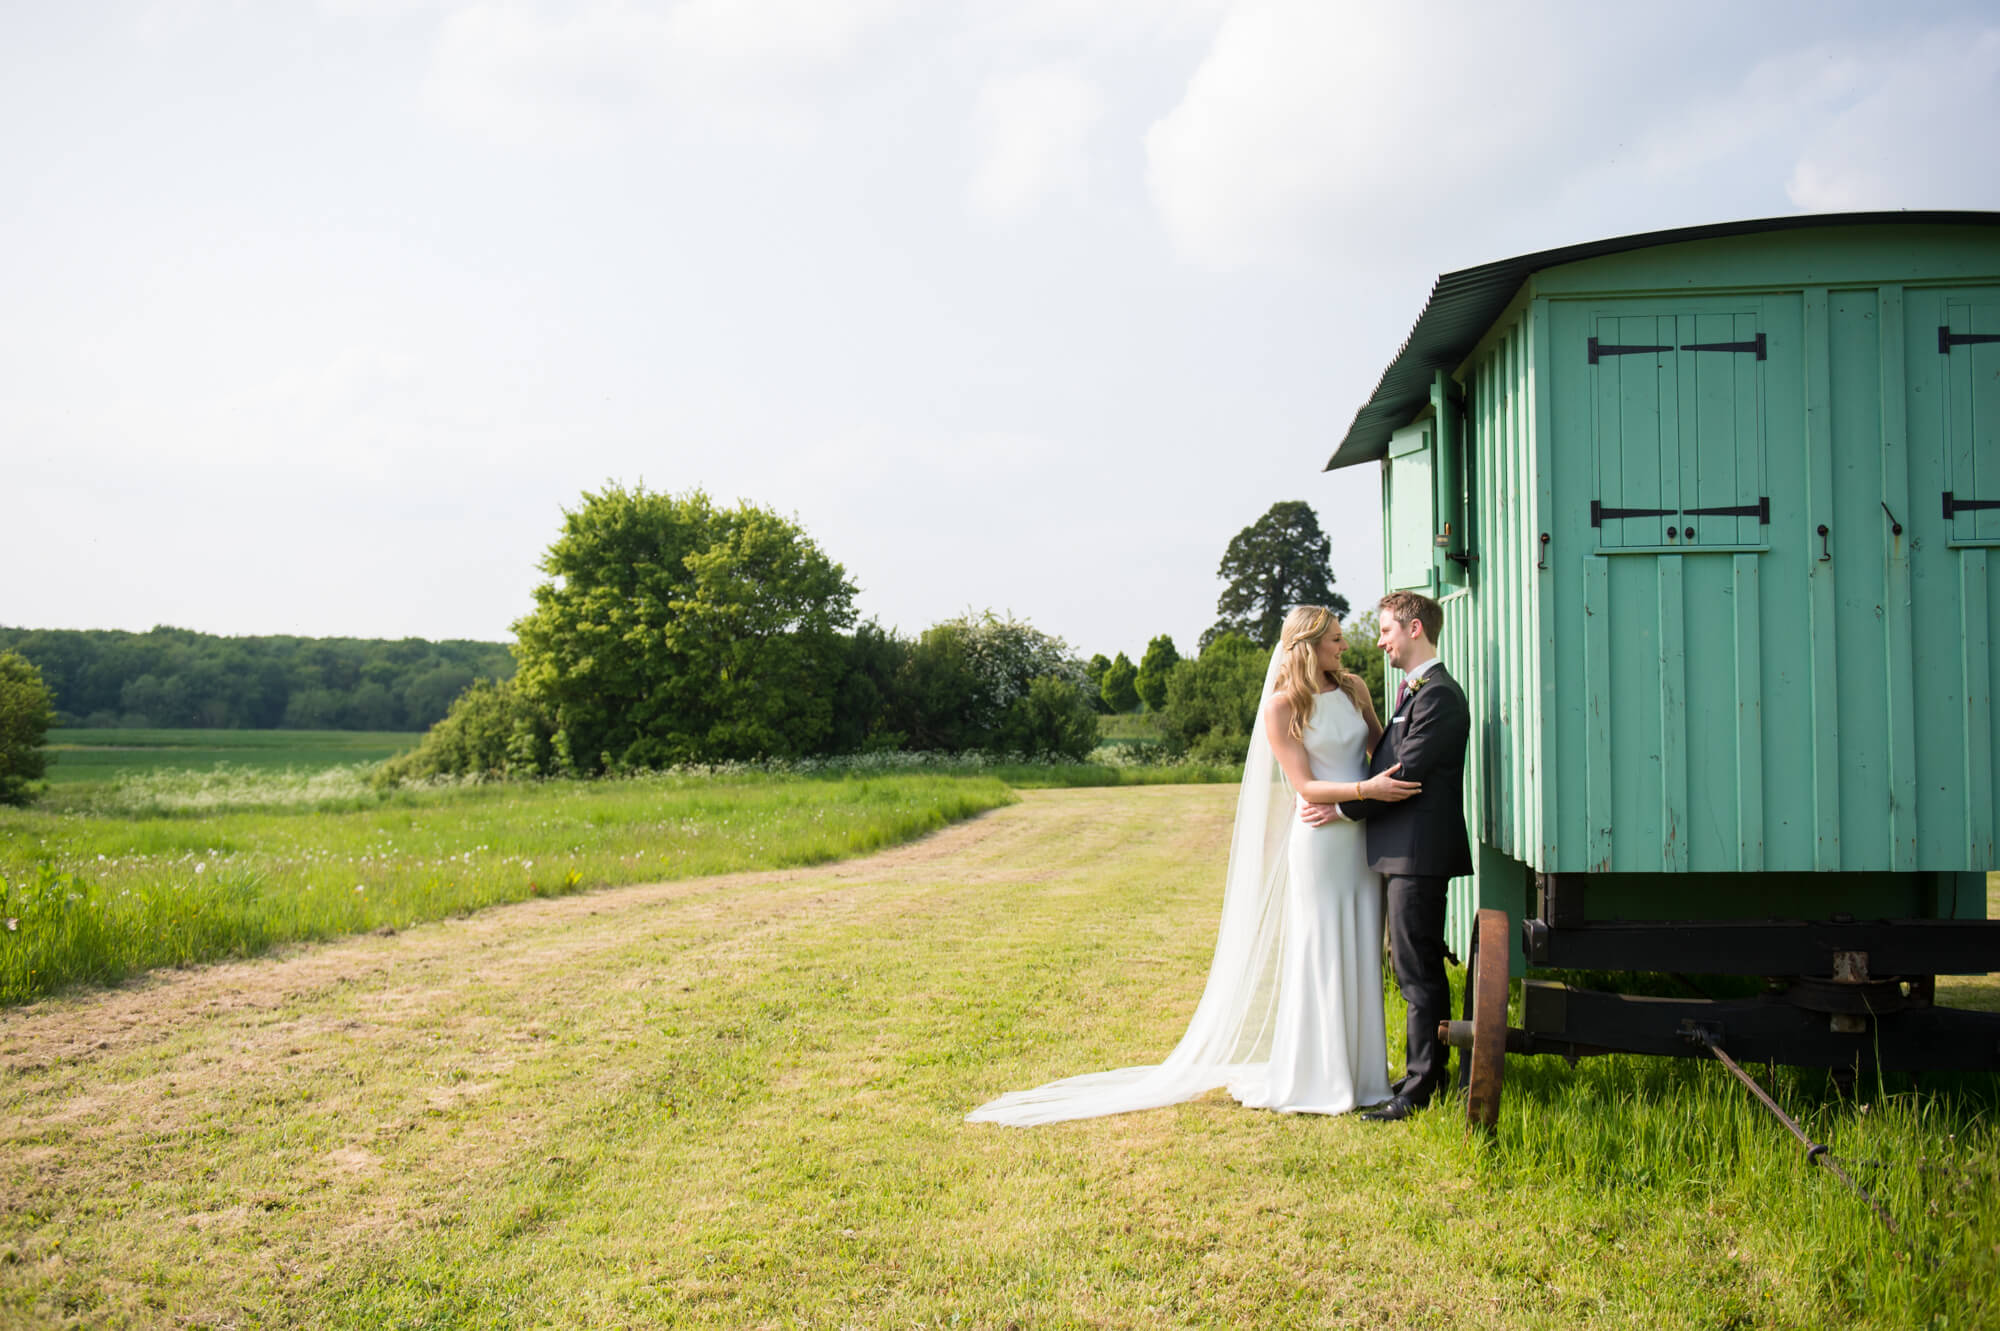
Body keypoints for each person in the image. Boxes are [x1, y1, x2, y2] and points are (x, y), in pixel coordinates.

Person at [966, 605, 1419, 1126]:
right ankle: (1317, 1073)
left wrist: (1380, 788)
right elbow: (1304, 788)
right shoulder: (1281, 707)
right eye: (1336, 640)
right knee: (1320, 947)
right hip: (1319, 840)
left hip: (1359, 836)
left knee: (1361, 943)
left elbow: (1381, 749)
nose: (1345, 647)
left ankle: (1363, 1074)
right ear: (1308, 644)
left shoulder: (1356, 690)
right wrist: (1367, 789)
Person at [1326, 591, 1472, 1123]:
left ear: (1414, 629)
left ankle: (1421, 1088)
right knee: (1412, 968)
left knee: (1418, 974)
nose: (1381, 639)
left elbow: (1404, 776)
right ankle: (1421, 1074)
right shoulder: (1416, 693)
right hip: (1406, 853)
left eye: (1387, 629)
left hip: (1419, 853)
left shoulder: (1439, 696)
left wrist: (1339, 809)